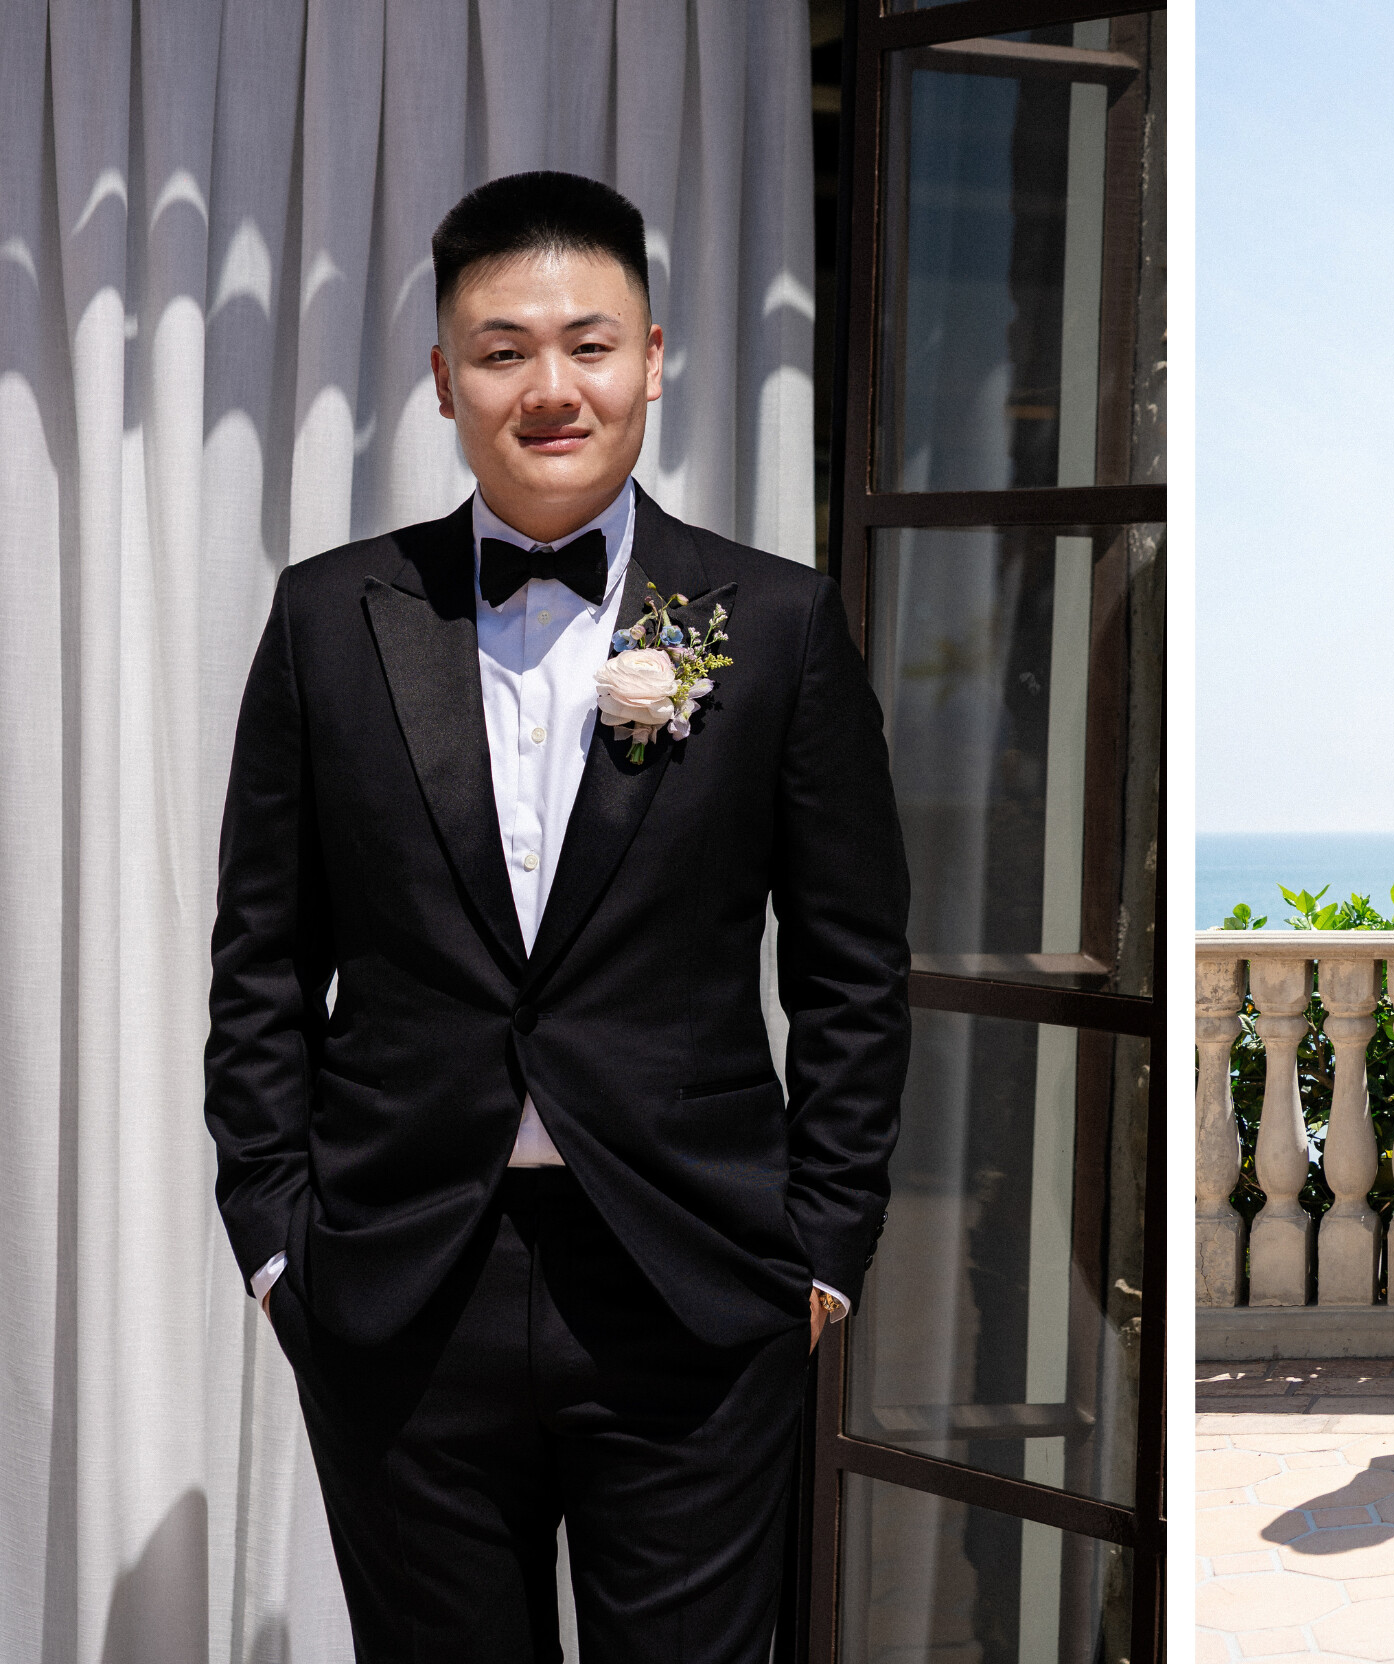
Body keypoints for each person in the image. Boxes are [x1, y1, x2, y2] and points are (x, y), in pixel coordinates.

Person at [202, 172, 910, 1660]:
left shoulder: (774, 624)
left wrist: (824, 1247)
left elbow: (852, 963)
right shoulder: (332, 616)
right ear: (444, 377)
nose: (550, 388)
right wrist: (280, 1243)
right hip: (399, 1285)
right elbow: (264, 952)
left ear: (654, 358)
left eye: (589, 344)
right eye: (503, 349)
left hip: (695, 1279)